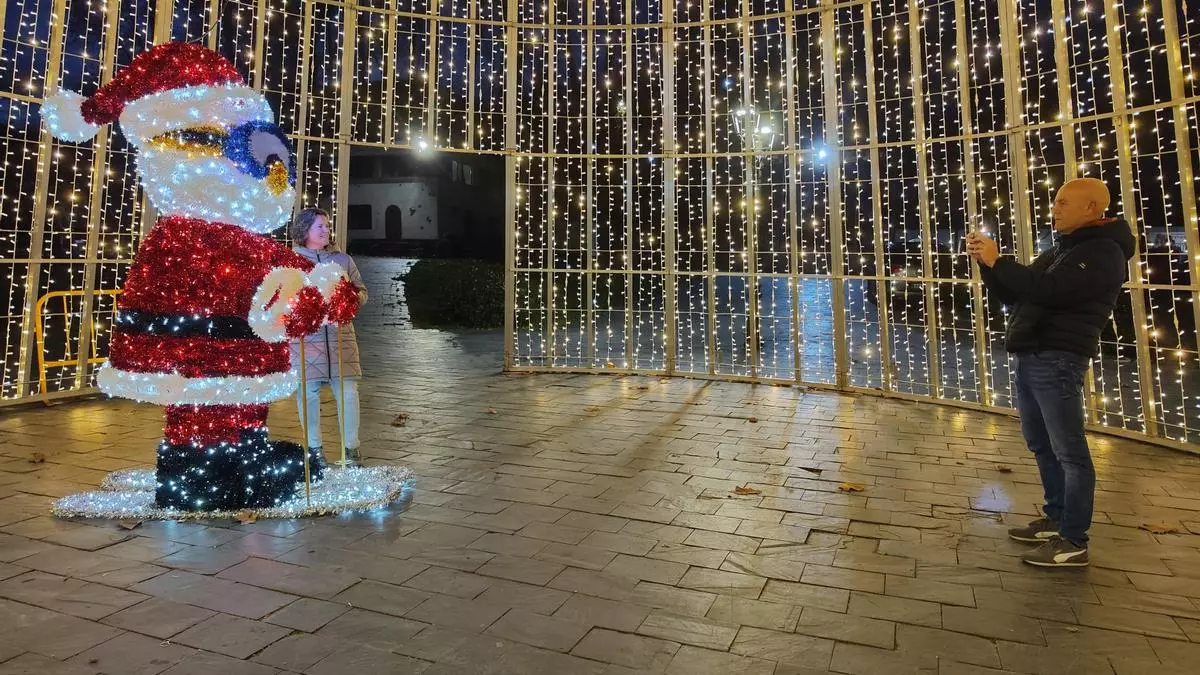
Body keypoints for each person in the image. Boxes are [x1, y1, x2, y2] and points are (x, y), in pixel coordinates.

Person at [967, 178, 1134, 568]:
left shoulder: (1103, 251)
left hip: (1059, 358)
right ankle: (1055, 518)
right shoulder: (1064, 248)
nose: (1054, 209)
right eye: (1055, 202)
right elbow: (1019, 293)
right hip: (1033, 353)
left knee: (1070, 452)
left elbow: (1050, 291)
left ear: (1092, 208)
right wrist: (988, 266)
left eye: (1062, 203)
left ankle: (1073, 539)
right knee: (1041, 443)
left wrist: (999, 261)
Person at [289, 208, 369, 467]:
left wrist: (349, 299)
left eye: (327, 225)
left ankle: (352, 449)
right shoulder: (290, 261)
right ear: (305, 230)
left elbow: (361, 291)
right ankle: (314, 450)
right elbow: (283, 297)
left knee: (348, 392)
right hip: (305, 340)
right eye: (319, 226)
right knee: (308, 394)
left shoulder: (342, 260)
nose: (326, 230)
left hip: (340, 337)